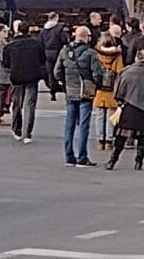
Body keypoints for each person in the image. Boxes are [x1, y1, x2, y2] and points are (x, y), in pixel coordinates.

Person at [105, 49, 144, 171]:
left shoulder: (126, 72)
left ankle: (112, 161)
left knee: (121, 137)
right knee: (143, 137)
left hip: (129, 107)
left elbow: (119, 92)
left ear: (136, 58)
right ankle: (138, 162)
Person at [55, 26, 102, 167]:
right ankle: (82, 157)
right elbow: (97, 73)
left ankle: (69, 156)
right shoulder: (90, 53)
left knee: (69, 125)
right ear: (86, 36)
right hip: (85, 92)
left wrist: (65, 83)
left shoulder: (64, 51)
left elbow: (57, 71)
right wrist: (96, 85)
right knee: (84, 125)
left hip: (70, 91)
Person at [2, 21, 46, 144]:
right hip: (32, 76)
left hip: (16, 77)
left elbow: (5, 63)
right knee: (30, 105)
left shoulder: (10, 46)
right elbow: (42, 59)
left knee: (17, 103)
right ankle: (28, 132)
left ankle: (17, 129)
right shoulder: (36, 44)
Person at [92, 33, 124, 151]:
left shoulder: (96, 54)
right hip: (112, 90)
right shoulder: (117, 55)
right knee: (111, 115)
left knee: (100, 115)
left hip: (99, 89)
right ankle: (109, 140)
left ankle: (100, 140)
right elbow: (120, 72)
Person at [40, 12, 68, 101]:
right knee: (61, 71)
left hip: (47, 53)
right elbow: (64, 40)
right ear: (56, 18)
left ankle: (52, 92)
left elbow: (40, 42)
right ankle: (65, 89)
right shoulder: (59, 28)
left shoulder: (43, 30)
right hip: (57, 52)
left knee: (50, 73)